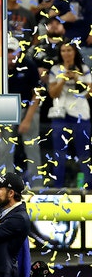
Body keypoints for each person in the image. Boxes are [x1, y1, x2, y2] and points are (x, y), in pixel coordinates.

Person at [0, 36, 41, 187]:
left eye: (12, 51)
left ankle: (36, 184)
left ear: (18, 52)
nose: (10, 55)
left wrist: (27, 119)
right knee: (4, 148)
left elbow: (38, 93)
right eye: (7, 51)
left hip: (28, 107)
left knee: (32, 145)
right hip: (4, 110)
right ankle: (5, 184)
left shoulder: (28, 64)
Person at [47, 42, 92, 187]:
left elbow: (89, 93)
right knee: (59, 153)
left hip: (80, 114)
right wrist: (63, 79)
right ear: (60, 53)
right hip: (60, 114)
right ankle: (58, 187)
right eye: (63, 50)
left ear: (74, 52)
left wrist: (77, 78)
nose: (66, 53)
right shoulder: (55, 69)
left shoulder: (84, 69)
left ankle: (88, 186)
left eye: (69, 50)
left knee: (83, 152)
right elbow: (53, 94)